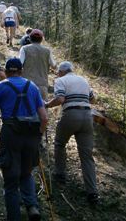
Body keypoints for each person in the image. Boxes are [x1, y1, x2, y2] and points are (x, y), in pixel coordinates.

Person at [0, 58, 48, 221]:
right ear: (21, 70)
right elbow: (44, 118)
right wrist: (39, 135)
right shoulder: (32, 86)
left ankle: (14, 217)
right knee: (26, 173)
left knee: (11, 180)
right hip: (32, 134)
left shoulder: (1, 86)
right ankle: (32, 206)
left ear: (6, 71)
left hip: (11, 134)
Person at [45, 61, 100, 206]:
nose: (57, 74)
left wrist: (47, 105)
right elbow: (93, 99)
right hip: (87, 117)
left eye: (57, 72)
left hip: (71, 114)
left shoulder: (61, 81)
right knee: (87, 156)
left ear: (62, 72)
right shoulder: (83, 80)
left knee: (59, 143)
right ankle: (92, 192)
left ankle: (60, 174)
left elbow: (60, 99)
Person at [19, 29, 56, 100]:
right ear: (42, 39)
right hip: (42, 85)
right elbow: (54, 66)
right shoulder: (47, 51)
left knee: (26, 108)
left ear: (30, 38)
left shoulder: (24, 49)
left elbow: (19, 64)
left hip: (27, 84)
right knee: (42, 108)